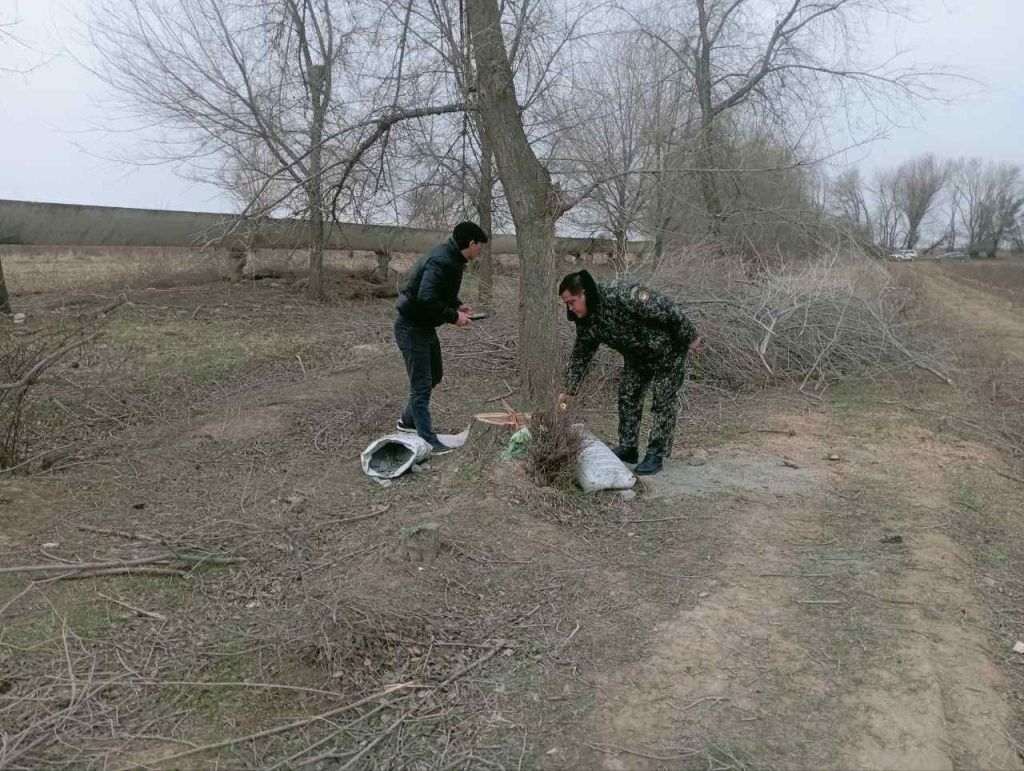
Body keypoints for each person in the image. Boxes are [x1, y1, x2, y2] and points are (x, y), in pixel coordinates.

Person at [557, 269, 701, 475]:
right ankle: (628, 447)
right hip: (637, 357)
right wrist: (569, 391)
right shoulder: (587, 321)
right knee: (628, 395)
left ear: (584, 294)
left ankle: (655, 454)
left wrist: (691, 336)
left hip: (667, 351)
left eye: (572, 302)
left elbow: (667, 308)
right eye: (567, 305)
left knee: (662, 400)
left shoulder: (622, 295)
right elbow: (581, 354)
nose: (570, 309)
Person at [394, 221, 489, 454]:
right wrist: (453, 317)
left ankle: (407, 422)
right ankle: (428, 440)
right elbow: (426, 298)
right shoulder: (442, 260)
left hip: (424, 327)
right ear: (471, 243)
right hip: (411, 327)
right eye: (480, 247)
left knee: (435, 375)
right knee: (422, 384)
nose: (481, 252)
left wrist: (457, 306)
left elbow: (440, 292)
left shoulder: (453, 258)